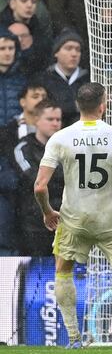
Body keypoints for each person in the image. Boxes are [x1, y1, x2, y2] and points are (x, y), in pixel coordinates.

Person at [33, 82, 112, 349]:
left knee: (63, 271)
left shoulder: (61, 137)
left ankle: (74, 338)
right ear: (103, 105)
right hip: (110, 219)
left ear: (78, 105)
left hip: (73, 218)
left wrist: (47, 212)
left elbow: (40, 186)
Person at [14, 99, 63, 256]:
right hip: (33, 223)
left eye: (58, 119)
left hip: (65, 218)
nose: (55, 123)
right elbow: (34, 180)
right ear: (36, 120)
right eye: (50, 119)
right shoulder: (23, 148)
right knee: (37, 272)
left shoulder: (66, 147)